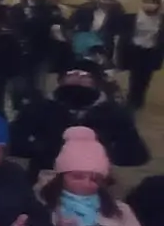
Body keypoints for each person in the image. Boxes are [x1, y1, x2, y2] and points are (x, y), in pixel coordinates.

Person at [10, 64, 150, 175]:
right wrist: (40, 149)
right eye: (71, 74)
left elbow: (136, 154)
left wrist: (106, 154)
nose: (77, 77)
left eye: (84, 75)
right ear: (61, 80)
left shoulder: (113, 112)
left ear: (96, 82)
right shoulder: (39, 107)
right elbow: (13, 140)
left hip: (93, 177)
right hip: (46, 172)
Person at [39, 127, 155, 226]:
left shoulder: (121, 211)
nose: (86, 183)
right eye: (78, 177)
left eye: (94, 179)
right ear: (61, 177)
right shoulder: (40, 206)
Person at [126, 0, 164, 109]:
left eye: (153, 3)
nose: (150, 5)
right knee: (135, 75)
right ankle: (131, 98)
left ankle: (139, 99)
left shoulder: (160, 20)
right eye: (147, 2)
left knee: (146, 77)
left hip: (151, 51)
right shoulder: (134, 17)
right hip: (136, 49)